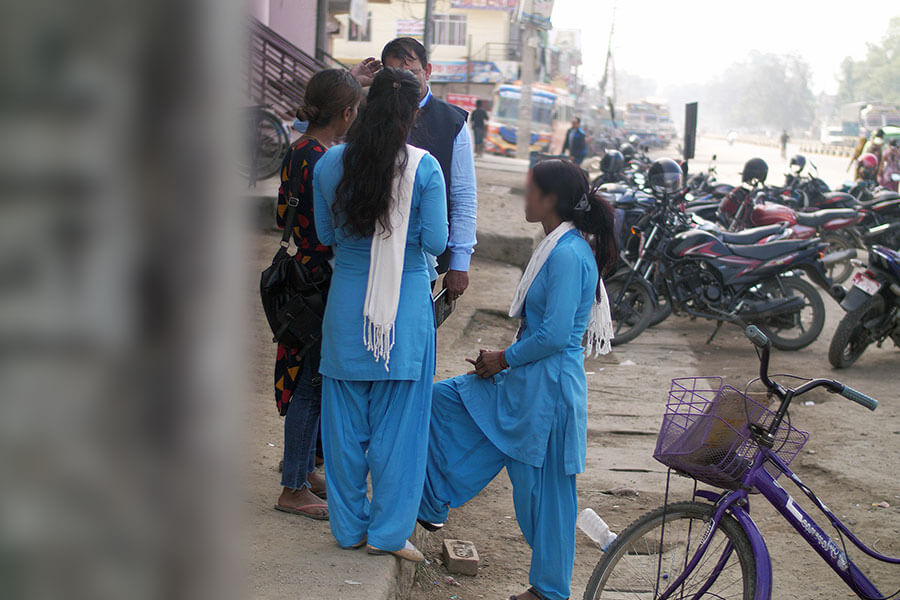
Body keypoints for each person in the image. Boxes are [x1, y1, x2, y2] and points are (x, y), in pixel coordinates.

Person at [418, 159, 618, 600]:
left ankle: (549, 591)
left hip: (548, 393)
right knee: (443, 403)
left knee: (543, 498)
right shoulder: (557, 244)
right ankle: (431, 502)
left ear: (549, 200)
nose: (523, 197)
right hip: (527, 384)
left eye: (529, 190)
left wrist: (502, 359)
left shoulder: (567, 254)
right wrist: (504, 362)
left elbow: (556, 334)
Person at [312, 67, 449, 562]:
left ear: (365, 106)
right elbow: (436, 242)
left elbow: (326, 235)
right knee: (400, 432)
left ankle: (348, 529)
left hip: (346, 307)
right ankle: (388, 535)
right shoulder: (424, 168)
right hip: (404, 312)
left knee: (344, 430)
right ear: (413, 114)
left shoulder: (330, 163)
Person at [272, 69, 361, 521]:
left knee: (310, 376)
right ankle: (293, 486)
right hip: (317, 281)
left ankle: (304, 470)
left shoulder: (300, 149)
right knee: (310, 381)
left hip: (302, 275)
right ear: (346, 113)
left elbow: (281, 213)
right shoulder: (322, 157)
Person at [352, 38, 477, 302]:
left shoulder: (452, 122)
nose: (401, 82)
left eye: (410, 72)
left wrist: (460, 262)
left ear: (427, 70)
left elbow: (463, 197)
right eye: (392, 74)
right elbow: (311, 126)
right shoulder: (362, 113)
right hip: (363, 250)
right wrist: (351, 83)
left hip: (419, 261)